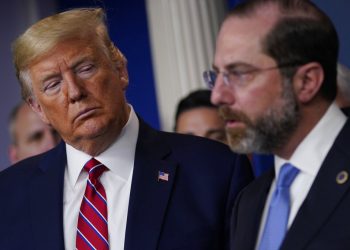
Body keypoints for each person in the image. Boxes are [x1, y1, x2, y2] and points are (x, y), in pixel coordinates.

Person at [0, 8, 253, 250]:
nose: (75, 92)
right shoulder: (9, 194)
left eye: (85, 68)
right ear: (38, 109)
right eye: (53, 84)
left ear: (120, 70)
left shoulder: (215, 171)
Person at [204, 0, 350, 249]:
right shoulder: (248, 203)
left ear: (306, 82)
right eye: (217, 75)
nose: (217, 96)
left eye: (239, 73)